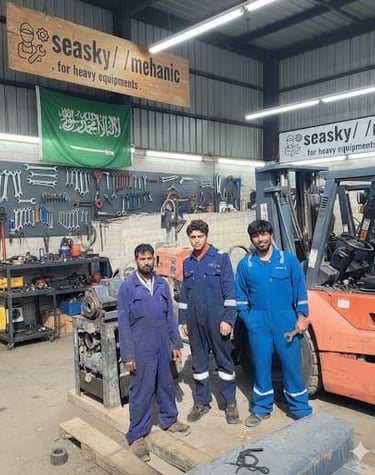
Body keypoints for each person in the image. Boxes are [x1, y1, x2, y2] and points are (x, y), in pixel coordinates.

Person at [235, 219, 312, 427]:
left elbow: (300, 291)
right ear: (252, 239)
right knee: (261, 366)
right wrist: (249, 320)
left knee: (291, 366)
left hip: (286, 320)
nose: (260, 239)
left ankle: (300, 408)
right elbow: (240, 297)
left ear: (271, 235)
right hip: (258, 322)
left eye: (264, 234)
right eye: (256, 236)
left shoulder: (288, 261)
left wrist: (302, 317)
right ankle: (261, 408)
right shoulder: (246, 264)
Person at [117, 243, 190, 462]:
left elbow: (170, 317)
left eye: (150, 259)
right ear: (136, 261)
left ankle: (169, 419)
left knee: (166, 384)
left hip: (162, 344)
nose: (147, 262)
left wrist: (176, 344)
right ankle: (137, 435)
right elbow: (123, 324)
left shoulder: (161, 284)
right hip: (141, 347)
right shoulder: (128, 287)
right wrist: (128, 355)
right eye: (142, 259)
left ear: (155, 261)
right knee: (142, 390)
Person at [178, 219, 240, 424]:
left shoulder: (220, 258)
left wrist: (228, 320)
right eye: (193, 237)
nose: (196, 241)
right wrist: (183, 320)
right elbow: (184, 294)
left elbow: (230, 292)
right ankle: (202, 402)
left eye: (200, 237)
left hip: (217, 320)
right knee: (199, 362)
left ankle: (229, 402)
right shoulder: (187, 263)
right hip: (195, 322)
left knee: (224, 361)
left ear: (206, 236)